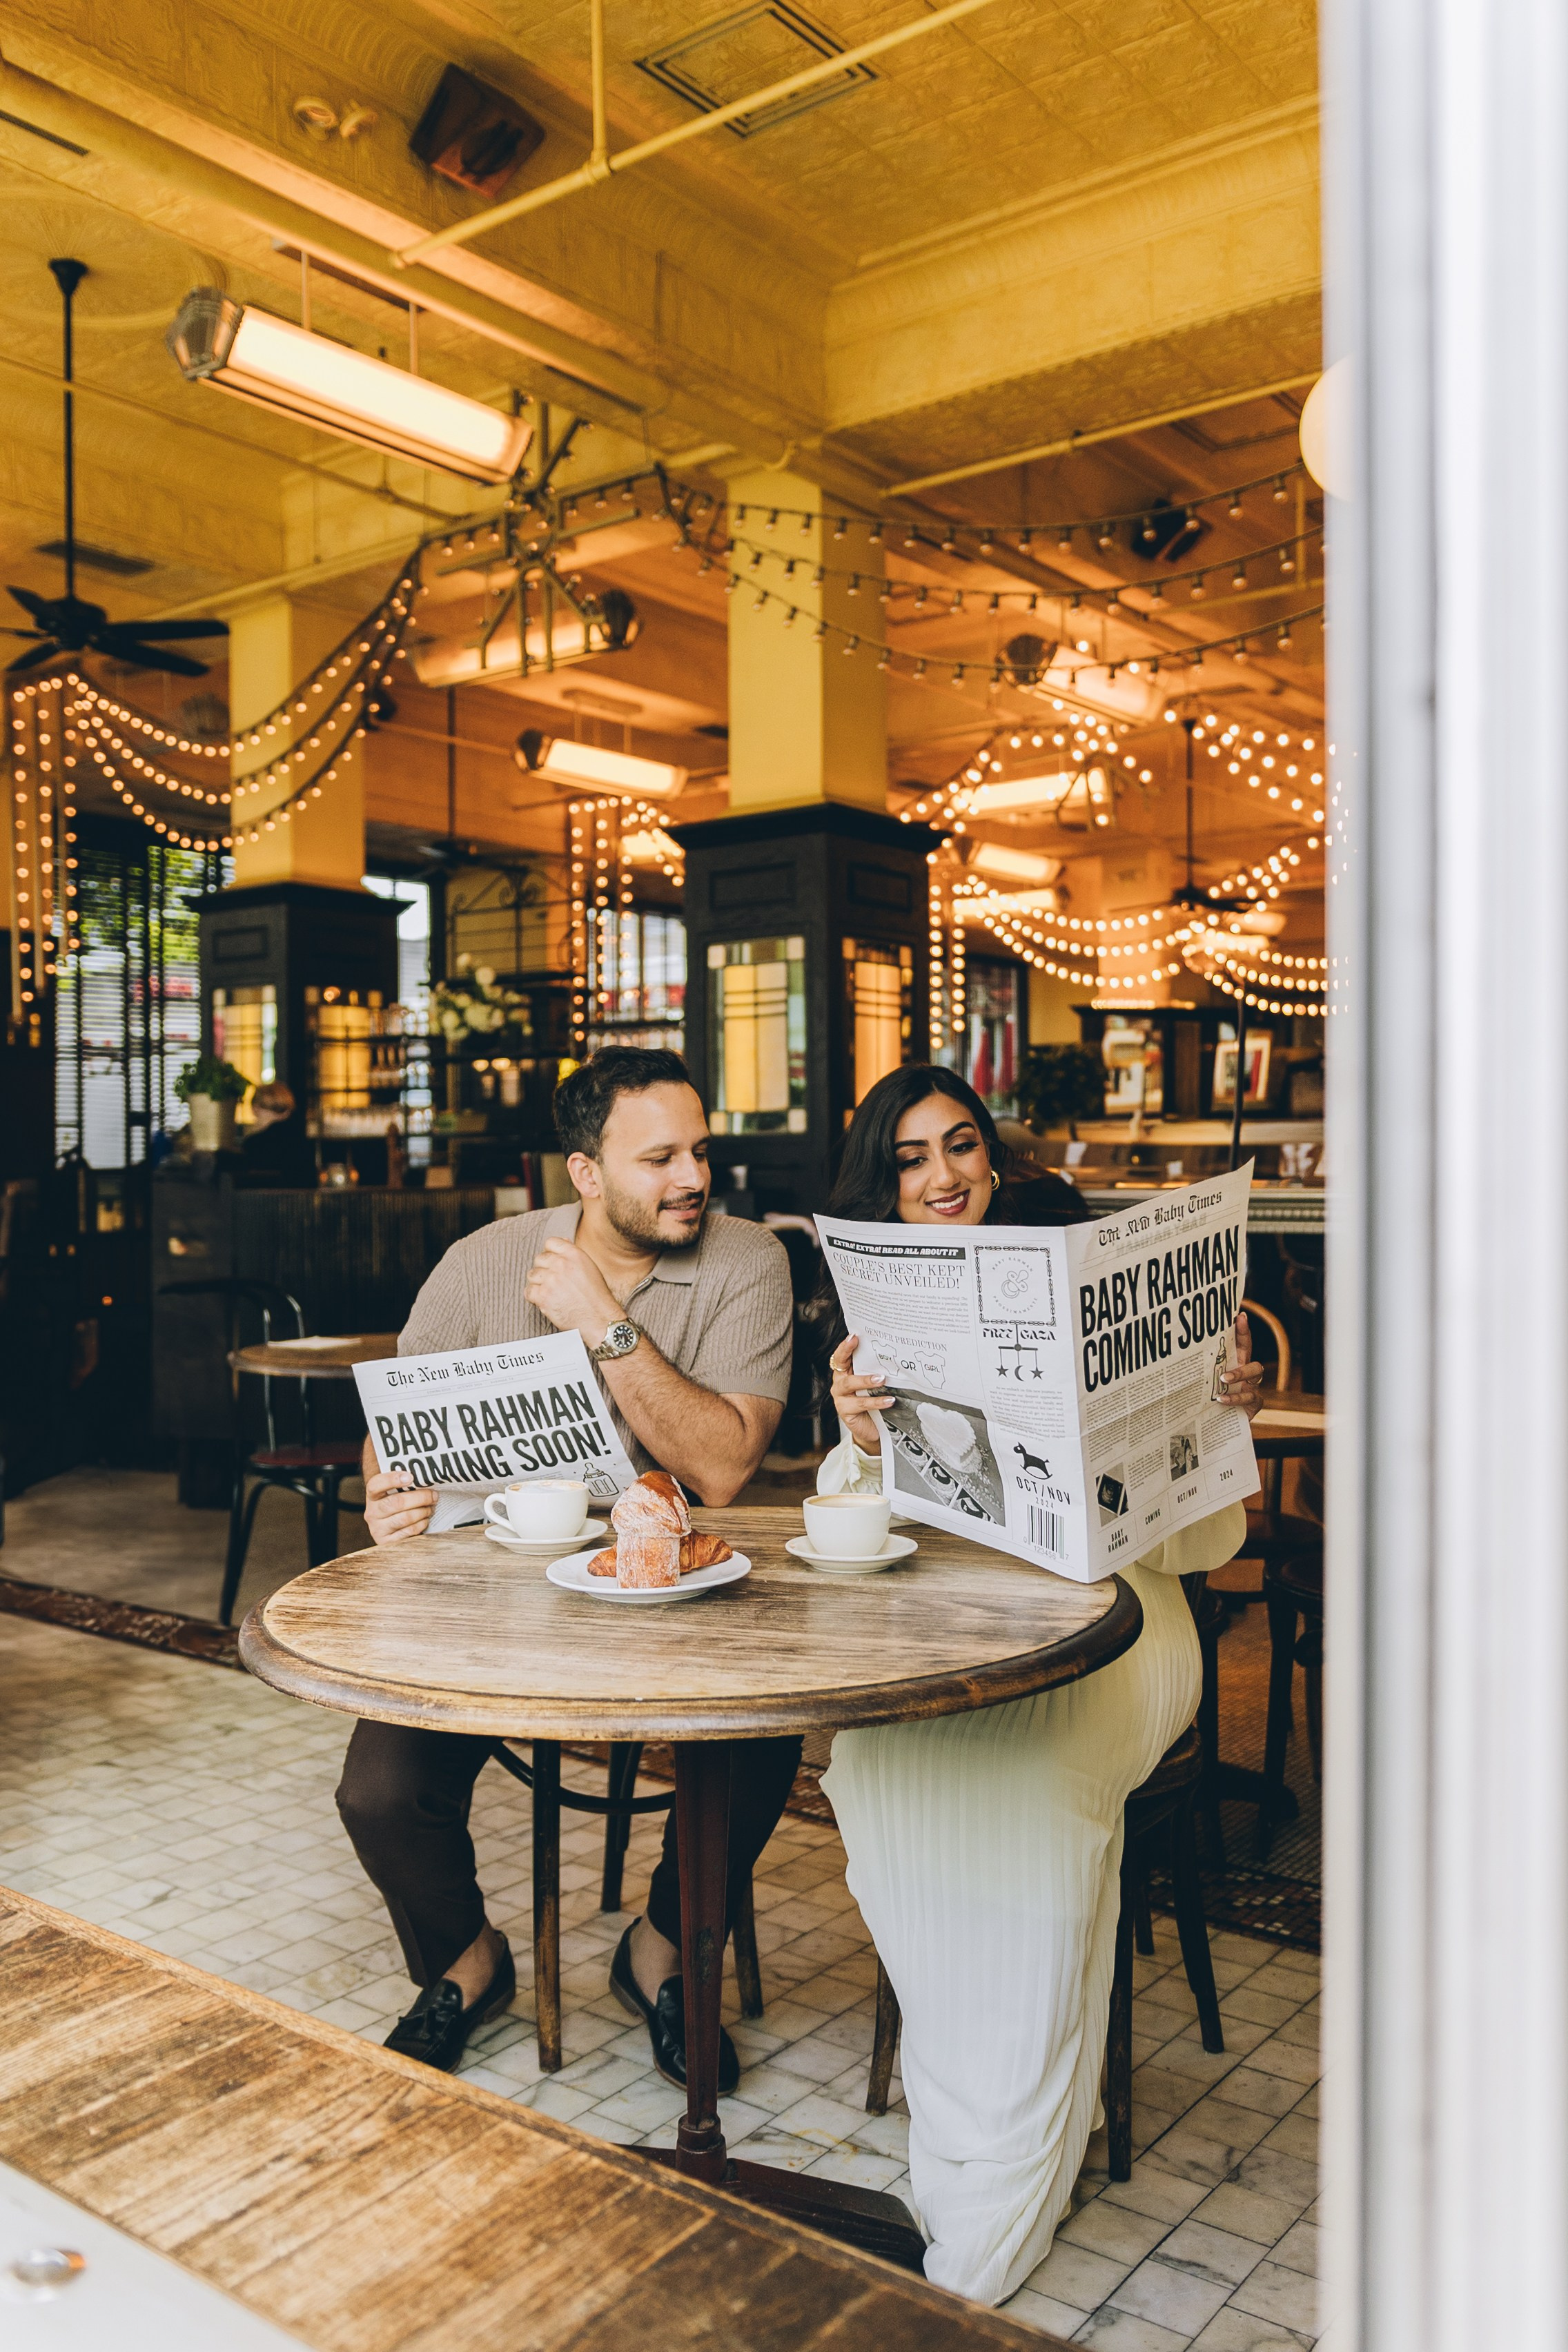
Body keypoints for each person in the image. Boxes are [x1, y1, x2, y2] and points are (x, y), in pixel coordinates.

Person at [811, 1065, 1263, 2306]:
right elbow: (850, 1537)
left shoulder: (1074, 1262)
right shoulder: (874, 1322)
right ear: (879, 1187)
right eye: (908, 1159)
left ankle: (982, 2217)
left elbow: (1207, 1546)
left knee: (1020, 1788)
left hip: (1118, 1630)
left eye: (961, 1147)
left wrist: (1219, 1426)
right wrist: (857, 1440)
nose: (943, 1175)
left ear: (992, 1161)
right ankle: (978, 2131)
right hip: (942, 1642)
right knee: (874, 1758)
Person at [337, 1047, 798, 2082]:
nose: (692, 1179)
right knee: (379, 1788)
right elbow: (394, 1430)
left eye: (701, 1152)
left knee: (762, 1746)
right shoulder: (481, 1260)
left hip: (669, 1588)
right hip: (489, 1594)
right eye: (659, 1158)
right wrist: (388, 1491)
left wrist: (602, 1319)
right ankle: (466, 1962)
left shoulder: (745, 1260)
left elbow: (723, 1466)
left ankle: (665, 1954)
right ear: (585, 1174)